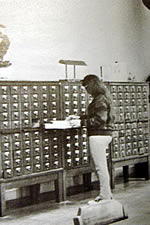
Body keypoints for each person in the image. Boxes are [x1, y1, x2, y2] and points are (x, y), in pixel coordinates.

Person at [81, 74, 115, 202]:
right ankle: (106, 193)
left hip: (98, 135)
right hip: (104, 135)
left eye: (87, 87)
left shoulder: (99, 99)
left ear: (92, 85)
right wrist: (80, 118)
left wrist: (81, 123)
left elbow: (100, 119)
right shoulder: (103, 97)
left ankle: (105, 195)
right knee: (102, 166)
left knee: (100, 167)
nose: (86, 90)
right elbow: (98, 116)